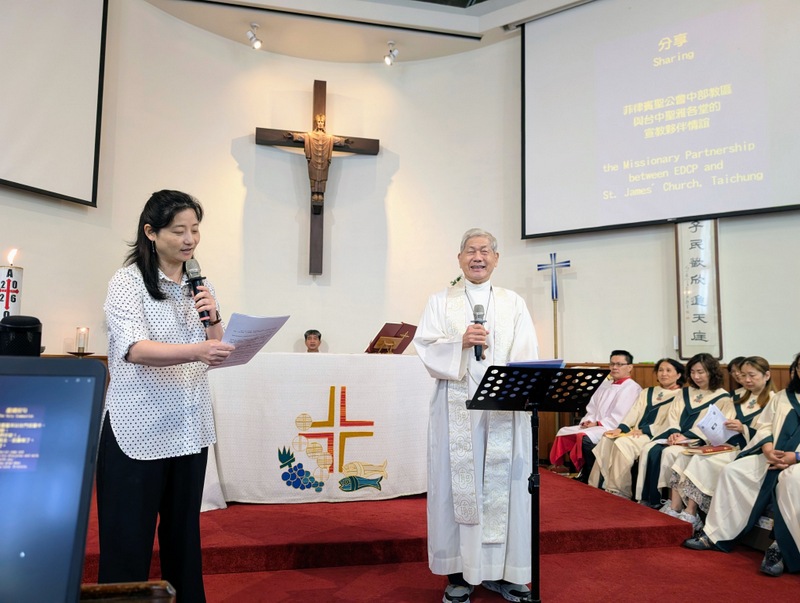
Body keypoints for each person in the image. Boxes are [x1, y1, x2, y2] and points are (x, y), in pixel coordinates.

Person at [99, 190, 235, 602]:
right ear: (151, 232)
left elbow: (214, 347)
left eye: (195, 229)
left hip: (189, 428)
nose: (190, 239)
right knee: (127, 543)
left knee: (184, 540)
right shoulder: (127, 282)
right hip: (138, 429)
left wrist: (214, 317)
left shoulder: (200, 284)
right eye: (179, 230)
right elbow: (135, 349)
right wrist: (198, 350)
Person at [413, 228, 538, 603]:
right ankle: (459, 574)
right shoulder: (440, 301)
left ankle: (507, 572)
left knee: (506, 489)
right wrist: (460, 343)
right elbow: (426, 347)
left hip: (504, 411)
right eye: (470, 250)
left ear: (496, 259)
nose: (478, 256)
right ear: (459, 258)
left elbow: (527, 353)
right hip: (457, 411)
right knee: (457, 489)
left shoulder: (513, 302)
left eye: (485, 250)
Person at [684, 352, 800, 577]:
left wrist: (794, 457)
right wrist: (767, 450)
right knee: (733, 471)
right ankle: (715, 534)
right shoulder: (782, 397)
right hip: (771, 455)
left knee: (791, 480)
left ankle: (782, 548)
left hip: (796, 461)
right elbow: (765, 427)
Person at [664, 356, 774, 531]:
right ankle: (675, 507)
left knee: (701, 461)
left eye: (752, 375)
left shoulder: (773, 400)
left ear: (766, 375)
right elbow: (722, 422)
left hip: (749, 450)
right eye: (743, 375)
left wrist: (744, 429)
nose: (746, 380)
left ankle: (691, 513)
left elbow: (770, 433)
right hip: (725, 445)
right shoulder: (736, 396)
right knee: (685, 455)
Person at [634, 353, 732, 526]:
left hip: (697, 440)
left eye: (701, 372)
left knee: (671, 453)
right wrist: (674, 432)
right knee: (649, 448)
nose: (696, 376)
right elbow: (673, 415)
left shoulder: (722, 397)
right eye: (693, 372)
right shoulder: (685, 392)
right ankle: (649, 498)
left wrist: (688, 436)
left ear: (712, 372)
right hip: (676, 437)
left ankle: (672, 502)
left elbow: (716, 424)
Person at [588, 358, 684, 498]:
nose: (664, 374)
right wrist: (621, 428)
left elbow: (672, 421)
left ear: (678, 375)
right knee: (607, 438)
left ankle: (619, 491)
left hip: (655, 435)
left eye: (668, 370)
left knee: (623, 443)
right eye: (660, 370)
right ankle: (596, 485)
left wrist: (644, 430)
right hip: (635, 432)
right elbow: (634, 412)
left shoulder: (681, 396)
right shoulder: (648, 392)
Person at [548, 350, 642, 482]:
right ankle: (580, 470)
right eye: (612, 364)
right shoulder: (605, 385)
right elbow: (592, 408)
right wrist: (588, 421)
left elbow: (621, 416)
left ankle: (594, 476)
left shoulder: (632, 388)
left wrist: (597, 423)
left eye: (619, 364)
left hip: (613, 427)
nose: (614, 367)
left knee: (584, 438)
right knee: (564, 432)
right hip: (596, 425)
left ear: (630, 367)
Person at [285, 114, 352, 214]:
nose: (320, 124)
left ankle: (320, 194)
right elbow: (301, 137)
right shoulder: (310, 136)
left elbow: (337, 140)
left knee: (322, 177)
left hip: (324, 161)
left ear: (324, 123)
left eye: (322, 122)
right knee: (314, 176)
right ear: (316, 123)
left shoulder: (329, 137)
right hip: (313, 160)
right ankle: (314, 193)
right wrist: (294, 136)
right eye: (319, 122)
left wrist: (344, 141)